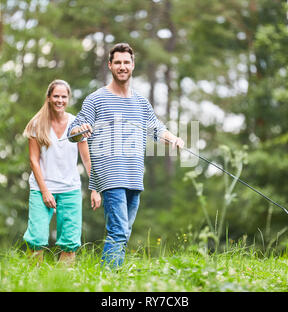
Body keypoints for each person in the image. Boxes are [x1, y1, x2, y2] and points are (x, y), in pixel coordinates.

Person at [69, 43, 184, 268]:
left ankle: (108, 278)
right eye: (118, 62)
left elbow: (157, 128)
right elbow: (74, 131)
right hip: (109, 175)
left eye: (126, 62)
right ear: (110, 65)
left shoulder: (141, 102)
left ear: (132, 65)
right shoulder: (96, 99)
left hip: (133, 176)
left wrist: (175, 139)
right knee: (119, 231)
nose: (122, 66)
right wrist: (78, 131)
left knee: (123, 232)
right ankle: (108, 282)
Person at [22, 79, 102, 265]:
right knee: (37, 239)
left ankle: (62, 283)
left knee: (70, 242)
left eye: (63, 96)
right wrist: (45, 191)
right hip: (41, 188)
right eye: (56, 96)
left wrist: (95, 188)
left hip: (70, 189)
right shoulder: (37, 124)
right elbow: (34, 160)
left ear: (68, 99)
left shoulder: (76, 124)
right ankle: (34, 283)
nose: (60, 100)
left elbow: (86, 159)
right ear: (49, 98)